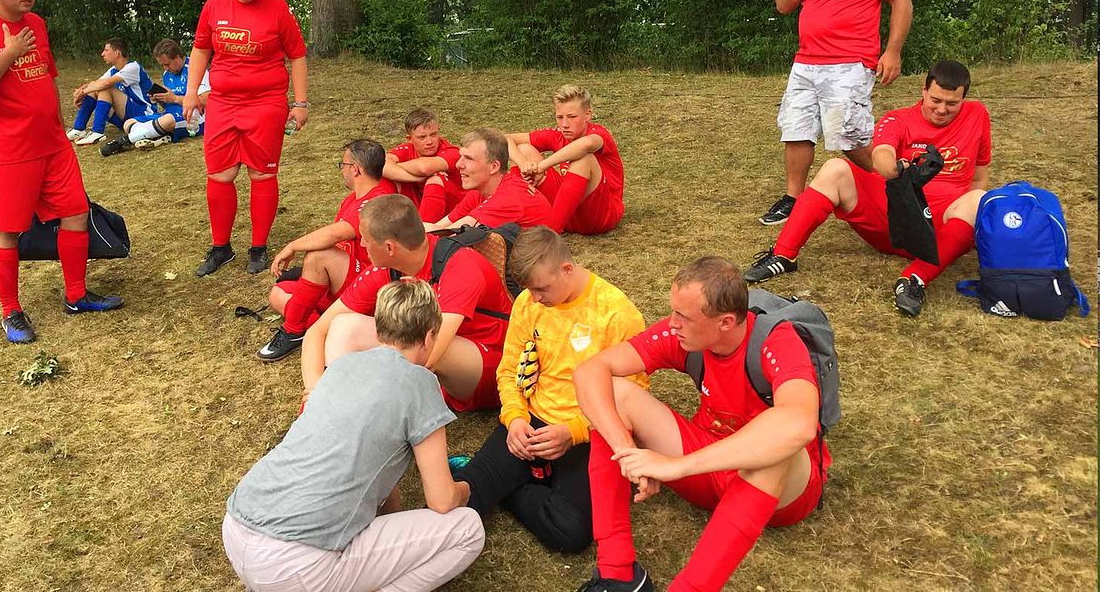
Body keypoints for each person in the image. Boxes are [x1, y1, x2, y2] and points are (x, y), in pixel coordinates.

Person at [572, 257, 828, 592]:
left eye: (684, 317)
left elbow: (799, 425)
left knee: (773, 447)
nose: (672, 323)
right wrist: (627, 451)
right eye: (673, 312)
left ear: (725, 322)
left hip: (780, 493)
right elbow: (590, 372)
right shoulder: (682, 337)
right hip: (710, 466)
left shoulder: (777, 342)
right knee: (615, 393)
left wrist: (677, 466)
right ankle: (616, 572)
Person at [224, 279, 484, 592]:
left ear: (380, 328)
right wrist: (465, 489)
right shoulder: (421, 384)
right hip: (294, 565)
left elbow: (377, 463)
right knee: (468, 530)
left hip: (237, 527)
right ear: (429, 336)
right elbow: (441, 500)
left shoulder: (340, 366)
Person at [0, 0, 123, 344]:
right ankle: (11, 312)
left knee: (76, 214)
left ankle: (76, 296)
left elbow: (46, 77)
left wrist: (62, 129)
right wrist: (9, 53)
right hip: (9, 151)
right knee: (7, 230)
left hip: (53, 145)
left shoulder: (37, 24)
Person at [450, 227, 647, 553]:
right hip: (531, 423)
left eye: (541, 288)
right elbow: (509, 369)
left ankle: (514, 486)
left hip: (591, 431)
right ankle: (521, 478)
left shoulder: (616, 313)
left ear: (567, 269)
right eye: (529, 289)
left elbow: (634, 397)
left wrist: (573, 432)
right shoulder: (528, 302)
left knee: (571, 531)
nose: (535, 298)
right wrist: (515, 418)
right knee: (463, 495)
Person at [744, 60, 990, 316]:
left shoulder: (977, 115)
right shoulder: (899, 119)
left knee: (980, 199)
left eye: (951, 104)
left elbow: (979, 176)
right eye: (936, 100)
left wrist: (970, 228)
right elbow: (881, 154)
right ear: (924, 91)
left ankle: (913, 280)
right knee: (835, 169)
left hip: (939, 231)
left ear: (964, 99)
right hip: (895, 218)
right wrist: (898, 169)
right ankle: (784, 255)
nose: (941, 109)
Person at [760, 0, 912, 226]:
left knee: (849, 136)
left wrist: (893, 50)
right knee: (796, 129)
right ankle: (792, 198)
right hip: (806, 61)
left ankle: (896, 185)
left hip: (851, 61)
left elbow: (901, 1)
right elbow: (784, 4)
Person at [302, 194, 512, 413]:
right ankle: (322, 413)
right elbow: (318, 331)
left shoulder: (460, 265)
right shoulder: (388, 267)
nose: (362, 244)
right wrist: (316, 389)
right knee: (345, 325)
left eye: (366, 239)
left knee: (413, 341)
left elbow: (429, 354)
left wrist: (357, 386)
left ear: (389, 247)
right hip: (428, 357)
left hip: (493, 367)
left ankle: (354, 414)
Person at [184, 0, 309, 277]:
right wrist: (192, 92)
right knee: (220, 174)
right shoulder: (214, 5)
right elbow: (201, 49)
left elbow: (297, 55)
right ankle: (221, 247)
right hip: (223, 102)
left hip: (266, 103)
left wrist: (300, 103)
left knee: (261, 173)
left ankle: (258, 247)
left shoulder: (278, 8)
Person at [257, 139, 395, 362]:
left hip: (370, 285)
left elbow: (335, 234)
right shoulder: (352, 199)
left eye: (343, 165)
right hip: (344, 281)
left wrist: (292, 246)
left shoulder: (378, 197)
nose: (342, 171)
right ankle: (322, 328)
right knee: (278, 294)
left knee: (319, 256)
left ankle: (293, 330)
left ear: (355, 169)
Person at [507, 85, 625, 234]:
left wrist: (543, 166)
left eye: (572, 117)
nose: (564, 124)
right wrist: (523, 163)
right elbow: (506, 139)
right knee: (524, 150)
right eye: (559, 117)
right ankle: (518, 221)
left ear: (587, 115)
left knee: (584, 159)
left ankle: (551, 232)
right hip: (567, 213)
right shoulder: (558, 135)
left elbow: (586, 145)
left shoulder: (598, 133)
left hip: (601, 216)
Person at [98, 39, 212, 156]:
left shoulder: (195, 68)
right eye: (162, 65)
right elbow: (169, 105)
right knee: (129, 123)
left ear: (177, 57)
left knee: (167, 120)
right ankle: (159, 136)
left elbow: (207, 100)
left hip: (194, 117)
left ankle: (124, 141)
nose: (165, 68)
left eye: (167, 64)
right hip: (171, 114)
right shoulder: (167, 74)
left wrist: (175, 98)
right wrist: (160, 99)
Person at [425, 128, 550, 231]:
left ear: (494, 167)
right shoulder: (480, 190)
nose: (458, 164)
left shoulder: (508, 196)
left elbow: (446, 236)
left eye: (469, 158)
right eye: (461, 157)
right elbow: (440, 228)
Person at [66, 37, 158, 146]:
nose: (102, 54)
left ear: (117, 53)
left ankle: (97, 132)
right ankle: (78, 129)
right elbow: (96, 83)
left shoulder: (133, 67)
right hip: (126, 117)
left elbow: (105, 84)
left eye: (106, 50)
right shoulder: (113, 70)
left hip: (143, 114)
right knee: (95, 88)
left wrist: (84, 91)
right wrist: (81, 91)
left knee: (105, 89)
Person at [384, 107, 466, 222]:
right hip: (421, 204)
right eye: (422, 137)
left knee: (435, 179)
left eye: (433, 134)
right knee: (386, 179)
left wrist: (397, 165)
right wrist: (417, 178)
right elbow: (381, 165)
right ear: (410, 139)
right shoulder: (407, 149)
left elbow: (424, 168)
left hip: (455, 209)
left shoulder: (451, 152)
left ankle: (425, 231)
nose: (429, 142)